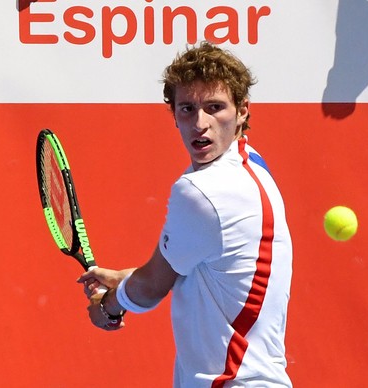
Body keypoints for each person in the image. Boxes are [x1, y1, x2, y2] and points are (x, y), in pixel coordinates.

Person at [78, 41, 293, 388]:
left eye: (215, 107)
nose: (200, 123)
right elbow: (196, 271)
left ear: (242, 111)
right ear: (174, 114)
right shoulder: (253, 164)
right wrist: (123, 278)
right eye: (187, 109)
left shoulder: (203, 191)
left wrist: (109, 307)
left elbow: (150, 288)